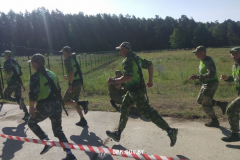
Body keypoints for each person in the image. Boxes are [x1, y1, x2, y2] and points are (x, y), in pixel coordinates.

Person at [106, 42, 178, 147]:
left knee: (148, 112)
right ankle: (118, 133)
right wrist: (150, 80)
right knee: (124, 107)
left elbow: (128, 78)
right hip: (134, 90)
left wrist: (113, 80)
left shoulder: (127, 61)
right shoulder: (136, 58)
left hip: (136, 92)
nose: (119, 52)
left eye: (120, 50)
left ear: (125, 50)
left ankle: (170, 131)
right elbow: (150, 64)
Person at [27, 53, 77, 160]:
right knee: (58, 130)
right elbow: (58, 89)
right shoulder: (52, 74)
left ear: (35, 63)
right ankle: (69, 153)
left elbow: (33, 94)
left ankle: (46, 141)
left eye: (32, 63)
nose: (32, 65)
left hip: (45, 105)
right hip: (57, 104)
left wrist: (31, 107)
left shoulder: (35, 76)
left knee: (31, 122)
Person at [189, 46, 228, 127]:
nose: (196, 54)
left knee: (205, 104)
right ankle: (220, 104)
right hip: (206, 83)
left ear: (203, 52)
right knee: (200, 100)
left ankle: (214, 121)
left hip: (211, 84)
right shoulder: (202, 61)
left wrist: (198, 77)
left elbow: (212, 74)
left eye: (197, 52)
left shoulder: (208, 61)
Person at [60, 46, 88, 127]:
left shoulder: (67, 60)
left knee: (64, 101)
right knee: (74, 102)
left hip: (74, 83)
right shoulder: (74, 59)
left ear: (65, 52)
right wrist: (67, 76)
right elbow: (75, 72)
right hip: (78, 82)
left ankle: (83, 103)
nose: (62, 53)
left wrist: (70, 85)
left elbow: (71, 72)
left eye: (63, 52)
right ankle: (82, 119)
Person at [2, 50, 29, 121]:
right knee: (18, 97)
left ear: (6, 55)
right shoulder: (15, 61)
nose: (4, 56)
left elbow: (8, 71)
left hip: (12, 82)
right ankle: (26, 113)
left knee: (5, 96)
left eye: (4, 55)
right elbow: (20, 72)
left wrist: (6, 77)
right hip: (18, 81)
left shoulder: (7, 62)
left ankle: (18, 100)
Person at [220, 47, 240, 142]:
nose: (233, 55)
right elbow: (236, 78)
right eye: (232, 53)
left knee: (231, 110)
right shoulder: (235, 65)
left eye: (236, 53)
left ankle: (235, 134)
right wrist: (227, 78)